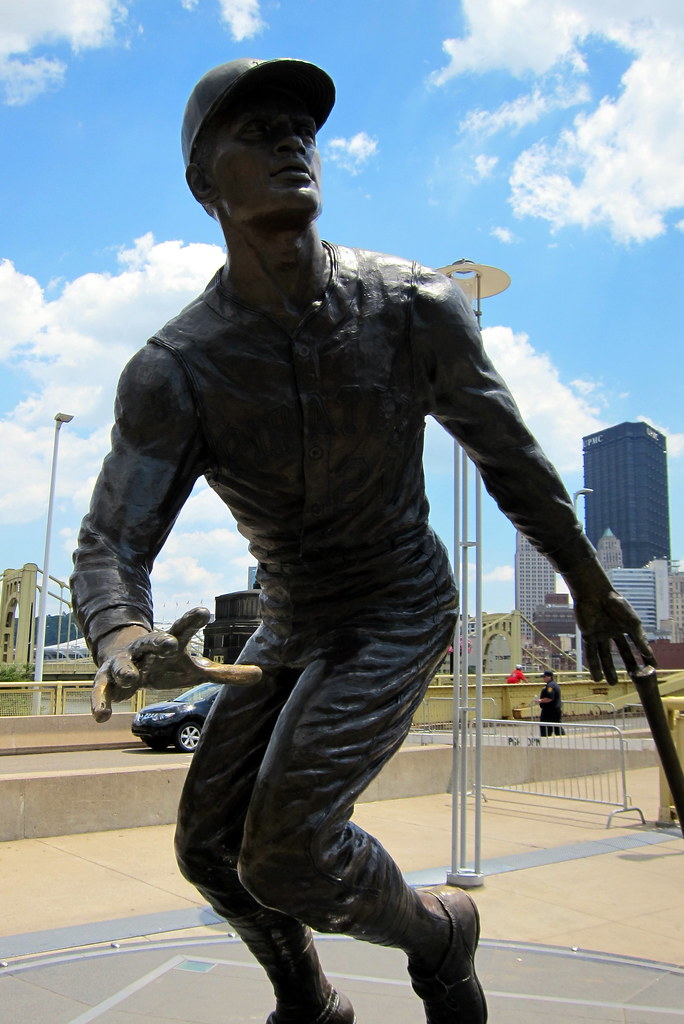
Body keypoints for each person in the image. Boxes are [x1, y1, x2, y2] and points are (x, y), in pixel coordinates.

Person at [70, 57, 656, 1024]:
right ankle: (310, 1002)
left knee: (288, 849)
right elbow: (109, 546)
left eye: (301, 128)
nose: (292, 142)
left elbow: (509, 455)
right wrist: (125, 639)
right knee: (208, 849)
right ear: (206, 184)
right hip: (291, 621)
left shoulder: (412, 305)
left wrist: (589, 581)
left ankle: (439, 933)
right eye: (256, 133)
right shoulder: (174, 371)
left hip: (397, 604)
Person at [537, 670, 564, 736]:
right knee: (556, 726)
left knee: (545, 727)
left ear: (550, 677)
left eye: (545, 677)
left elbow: (550, 698)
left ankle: (545, 740)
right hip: (555, 710)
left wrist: (540, 701)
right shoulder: (554, 684)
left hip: (550, 711)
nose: (544, 678)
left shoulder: (550, 686)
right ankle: (562, 738)